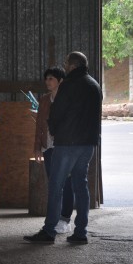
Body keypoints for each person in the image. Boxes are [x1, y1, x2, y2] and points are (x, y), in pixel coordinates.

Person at [24, 51, 102, 244]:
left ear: (72, 65)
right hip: (87, 145)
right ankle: (80, 233)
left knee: (56, 186)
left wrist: (55, 130)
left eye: (67, 63)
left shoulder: (67, 85)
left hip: (67, 143)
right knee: (81, 186)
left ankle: (49, 231)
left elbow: (56, 113)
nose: (65, 66)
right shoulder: (94, 85)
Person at [33, 67, 74, 234]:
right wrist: (36, 148)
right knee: (54, 184)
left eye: (51, 78)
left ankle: (65, 218)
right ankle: (55, 218)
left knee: (67, 182)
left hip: (65, 147)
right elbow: (39, 125)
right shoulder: (43, 100)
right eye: (46, 78)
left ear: (60, 81)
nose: (47, 82)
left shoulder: (69, 99)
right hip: (48, 147)